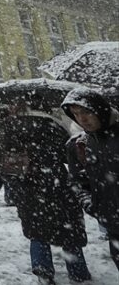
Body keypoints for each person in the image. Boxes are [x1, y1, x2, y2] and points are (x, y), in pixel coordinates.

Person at [1, 101, 91, 284]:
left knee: (37, 231)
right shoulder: (55, 124)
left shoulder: (12, 126)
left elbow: (8, 161)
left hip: (29, 185)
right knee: (70, 229)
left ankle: (43, 271)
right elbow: (68, 151)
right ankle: (78, 271)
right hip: (59, 183)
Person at [62, 87, 119, 272]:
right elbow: (77, 181)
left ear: (100, 109)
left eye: (86, 112)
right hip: (113, 224)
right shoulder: (79, 145)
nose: (82, 119)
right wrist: (89, 202)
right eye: (76, 114)